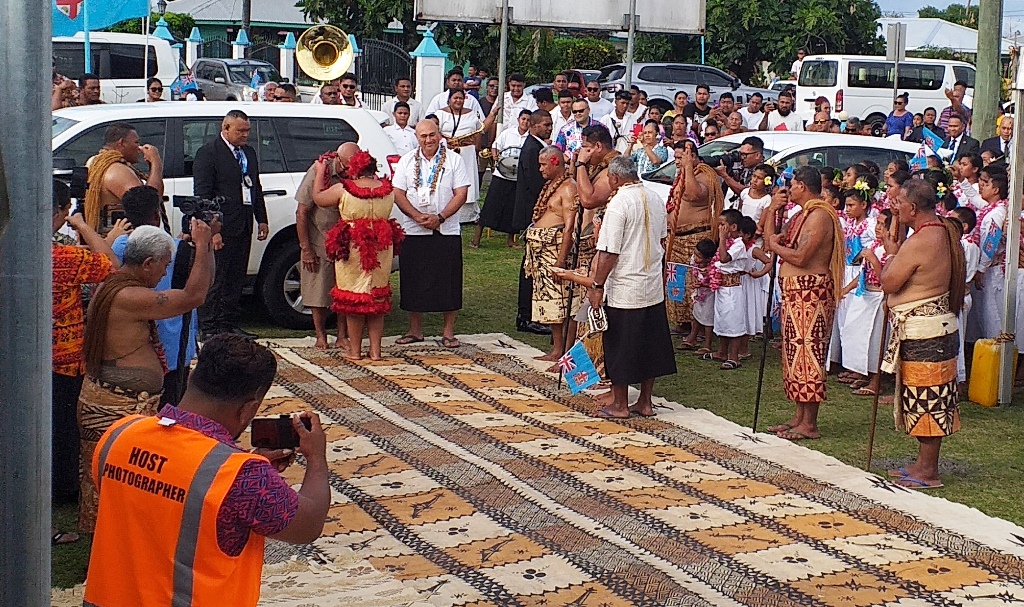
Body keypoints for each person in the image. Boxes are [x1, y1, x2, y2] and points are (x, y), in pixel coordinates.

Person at [82, 335, 330, 607]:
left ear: (191, 380)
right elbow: (307, 524)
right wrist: (316, 457)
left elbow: (158, 501)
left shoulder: (119, 435)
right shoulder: (241, 478)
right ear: (247, 409)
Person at [78, 221, 215, 532]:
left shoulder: (117, 285)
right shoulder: (128, 297)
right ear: (148, 263)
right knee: (119, 481)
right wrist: (204, 246)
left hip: (115, 399)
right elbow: (194, 297)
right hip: (118, 405)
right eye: (163, 267)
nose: (163, 274)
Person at [880, 180, 965, 490]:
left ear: (913, 208)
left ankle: (928, 470)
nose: (895, 206)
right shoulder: (939, 232)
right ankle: (921, 463)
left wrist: (885, 257)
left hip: (927, 332)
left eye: (899, 202)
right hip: (930, 330)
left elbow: (890, 283)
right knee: (920, 397)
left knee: (927, 399)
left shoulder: (923, 239)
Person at [51, 181, 122, 539]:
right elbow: (111, 265)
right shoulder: (63, 258)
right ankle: (62, 485)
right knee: (63, 425)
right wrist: (82, 226)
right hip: (61, 357)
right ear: (61, 212)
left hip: (19, 355)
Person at [589, 157, 675, 419]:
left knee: (620, 346)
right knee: (649, 344)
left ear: (614, 178)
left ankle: (621, 404)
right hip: (650, 283)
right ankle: (645, 402)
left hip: (627, 286)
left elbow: (609, 251)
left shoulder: (619, 203)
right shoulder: (655, 198)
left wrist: (597, 284)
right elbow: (661, 239)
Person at [763, 166, 844, 441]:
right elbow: (770, 239)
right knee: (795, 356)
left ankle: (810, 423)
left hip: (812, 294)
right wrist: (772, 209)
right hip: (795, 294)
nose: (790, 189)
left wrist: (775, 247)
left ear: (802, 186)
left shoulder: (819, 216)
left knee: (809, 356)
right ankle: (798, 417)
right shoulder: (801, 215)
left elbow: (800, 257)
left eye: (793, 184)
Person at [112, 186, 206, 409]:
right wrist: (204, 244)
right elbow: (200, 289)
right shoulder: (176, 249)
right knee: (171, 409)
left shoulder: (119, 246)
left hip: (137, 353)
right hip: (174, 346)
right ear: (156, 215)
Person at [313, 149, 403, 360]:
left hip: (353, 248)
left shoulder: (343, 189)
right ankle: (376, 351)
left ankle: (355, 351)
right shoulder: (389, 190)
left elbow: (318, 198)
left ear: (354, 169)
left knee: (354, 300)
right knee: (376, 297)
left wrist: (320, 171)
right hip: (381, 247)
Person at [392, 120, 471, 348]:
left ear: (439, 135)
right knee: (413, 278)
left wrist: (441, 217)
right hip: (414, 228)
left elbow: (461, 193)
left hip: (446, 229)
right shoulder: (407, 161)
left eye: (432, 135)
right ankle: (415, 329)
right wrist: (417, 216)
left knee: (449, 279)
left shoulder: (454, 160)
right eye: (424, 136)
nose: (428, 140)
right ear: (417, 137)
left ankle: (448, 332)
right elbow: (398, 192)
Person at [194, 110, 269, 340]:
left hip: (243, 222)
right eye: (240, 131)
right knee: (217, 277)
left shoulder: (248, 153)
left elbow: (254, 186)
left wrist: (261, 218)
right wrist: (213, 229)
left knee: (236, 277)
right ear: (225, 128)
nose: (245, 135)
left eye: (247, 130)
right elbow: (203, 194)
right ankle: (209, 326)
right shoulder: (208, 153)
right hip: (221, 226)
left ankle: (230, 323)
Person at [296, 143, 358, 350]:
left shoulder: (357, 171)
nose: (351, 171)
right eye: (348, 166)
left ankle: (342, 336)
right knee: (318, 291)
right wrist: (306, 249)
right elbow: (302, 211)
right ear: (338, 160)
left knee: (344, 291)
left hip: (346, 242)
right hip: (319, 239)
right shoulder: (318, 171)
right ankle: (320, 336)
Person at [524, 147, 578, 361]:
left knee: (563, 301)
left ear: (555, 161)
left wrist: (561, 260)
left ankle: (565, 350)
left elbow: (569, 227)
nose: (540, 169)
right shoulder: (552, 186)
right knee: (550, 302)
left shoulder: (568, 188)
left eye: (543, 164)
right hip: (541, 252)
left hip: (555, 251)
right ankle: (557, 349)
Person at [665, 140, 723, 336]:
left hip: (695, 237)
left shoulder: (705, 174)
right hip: (677, 238)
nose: (677, 162)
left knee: (694, 284)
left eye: (681, 158)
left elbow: (693, 194)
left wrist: (689, 167)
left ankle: (697, 327)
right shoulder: (682, 175)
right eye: (676, 158)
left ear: (693, 157)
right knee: (677, 282)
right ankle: (683, 323)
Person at [833, 179, 881, 391]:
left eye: (851, 205)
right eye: (846, 205)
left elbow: (872, 247)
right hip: (847, 270)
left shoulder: (870, 225)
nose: (847, 209)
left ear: (864, 205)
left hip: (861, 274)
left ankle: (862, 368)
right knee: (846, 322)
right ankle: (852, 364)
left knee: (858, 323)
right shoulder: (849, 223)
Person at [514, 110, 555, 335]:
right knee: (530, 266)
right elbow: (536, 184)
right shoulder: (532, 149)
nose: (549, 128)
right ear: (534, 125)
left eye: (550, 124)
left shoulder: (535, 146)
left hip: (535, 213)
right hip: (533, 214)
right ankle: (526, 315)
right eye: (545, 124)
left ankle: (531, 313)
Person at [84, 122, 165, 235]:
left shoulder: (93, 161)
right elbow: (149, 204)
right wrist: (156, 163)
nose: (139, 148)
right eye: (136, 142)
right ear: (122, 143)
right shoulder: (117, 170)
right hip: (118, 242)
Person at [437, 88, 499, 223]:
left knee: (467, 179)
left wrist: (493, 114)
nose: (458, 101)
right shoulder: (440, 114)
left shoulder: (471, 114)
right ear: (449, 99)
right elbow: (435, 130)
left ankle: (467, 216)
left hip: (467, 152)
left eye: (461, 98)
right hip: (448, 151)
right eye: (455, 98)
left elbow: (482, 129)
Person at [475, 109, 531, 249]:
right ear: (518, 119)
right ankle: (476, 239)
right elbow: (495, 146)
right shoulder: (507, 133)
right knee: (490, 205)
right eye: (523, 119)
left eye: (528, 120)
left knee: (513, 208)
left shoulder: (531, 138)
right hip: (501, 174)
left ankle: (511, 240)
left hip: (518, 177)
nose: (525, 122)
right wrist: (495, 156)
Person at [968, 166, 1009, 341]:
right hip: (987, 268)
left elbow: (990, 244)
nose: (981, 186)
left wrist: (981, 269)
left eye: (986, 184)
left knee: (992, 316)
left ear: (996, 190)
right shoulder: (990, 209)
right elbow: (975, 199)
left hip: (992, 271)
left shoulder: (996, 213)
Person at [713, 208, 752, 369]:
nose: (720, 228)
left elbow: (724, 259)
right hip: (722, 287)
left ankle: (734, 356)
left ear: (733, 227)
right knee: (722, 319)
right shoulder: (727, 243)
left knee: (734, 321)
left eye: (722, 225)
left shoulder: (738, 245)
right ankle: (722, 351)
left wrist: (721, 239)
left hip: (733, 289)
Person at [949, 206, 979, 393]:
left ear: (964, 226)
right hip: (953, 296)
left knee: (957, 338)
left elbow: (965, 275)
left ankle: (959, 380)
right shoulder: (955, 244)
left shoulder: (968, 246)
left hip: (959, 296)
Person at [600, 90, 638, 154]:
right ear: (616, 102)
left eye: (627, 103)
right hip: (610, 153)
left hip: (628, 153)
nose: (625, 106)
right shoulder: (606, 119)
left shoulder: (633, 118)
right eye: (622, 103)